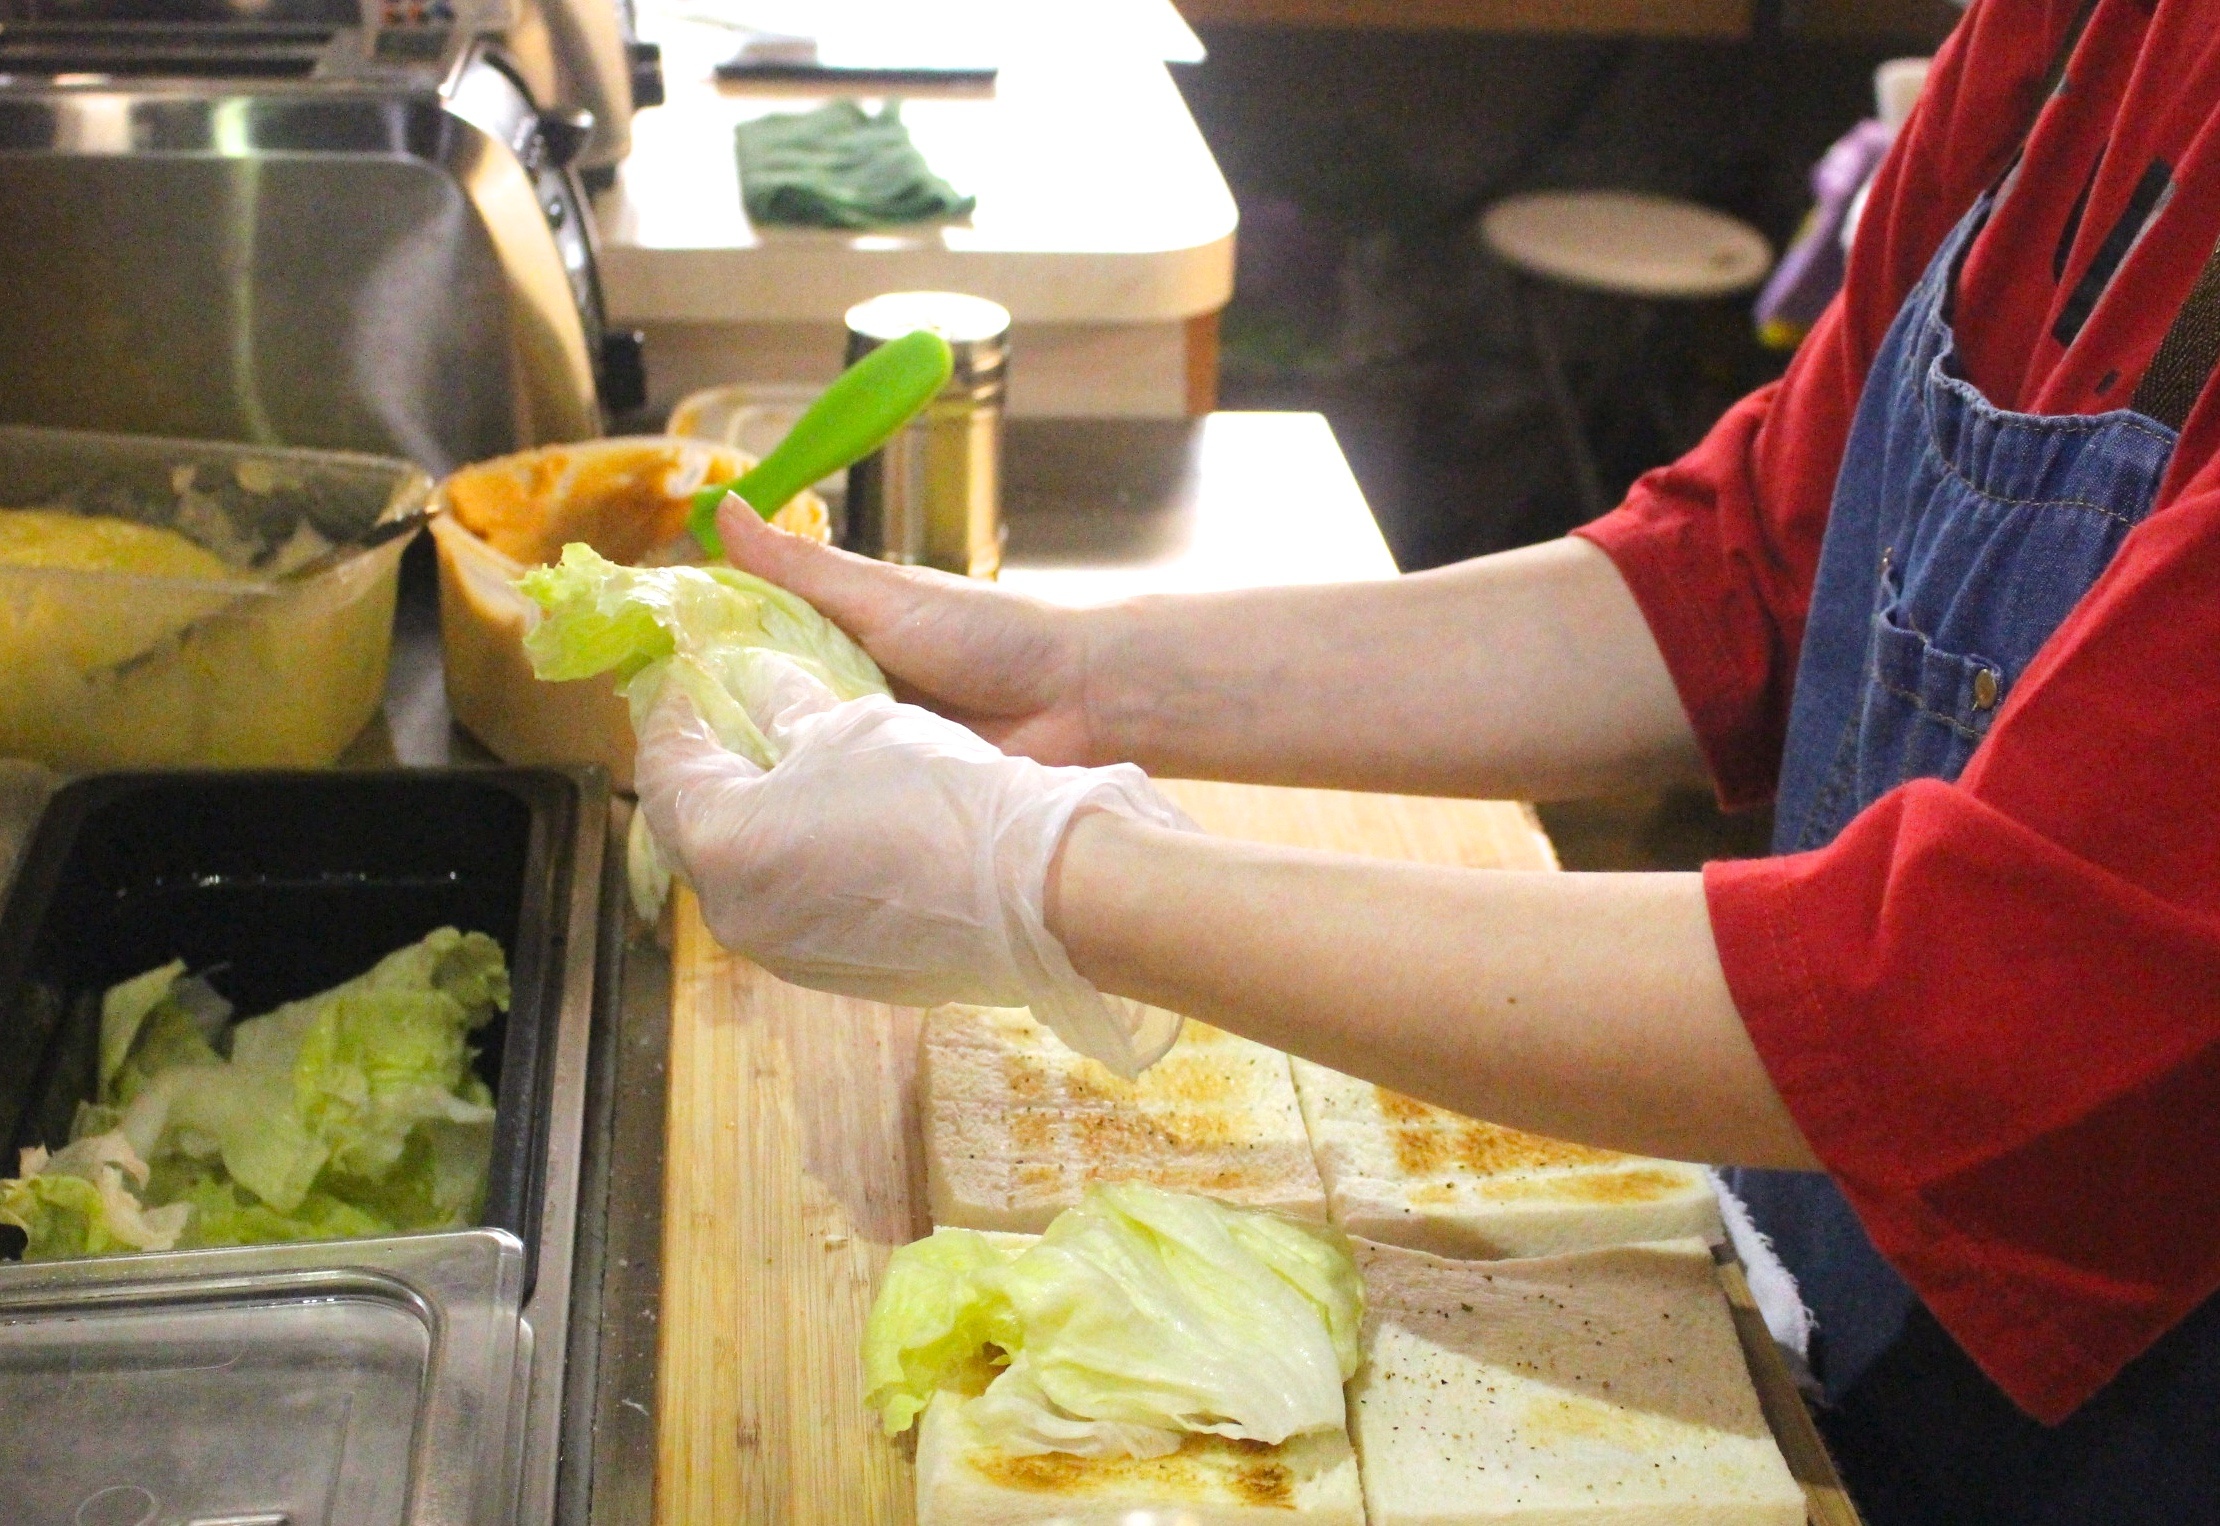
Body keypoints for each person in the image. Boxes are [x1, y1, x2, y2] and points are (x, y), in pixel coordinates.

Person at [633, 3, 2220, 1520]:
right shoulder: (2083, 27)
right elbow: (1745, 578)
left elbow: (1969, 994)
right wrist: (1076, 676)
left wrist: (1044, 868)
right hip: (1823, 1279)